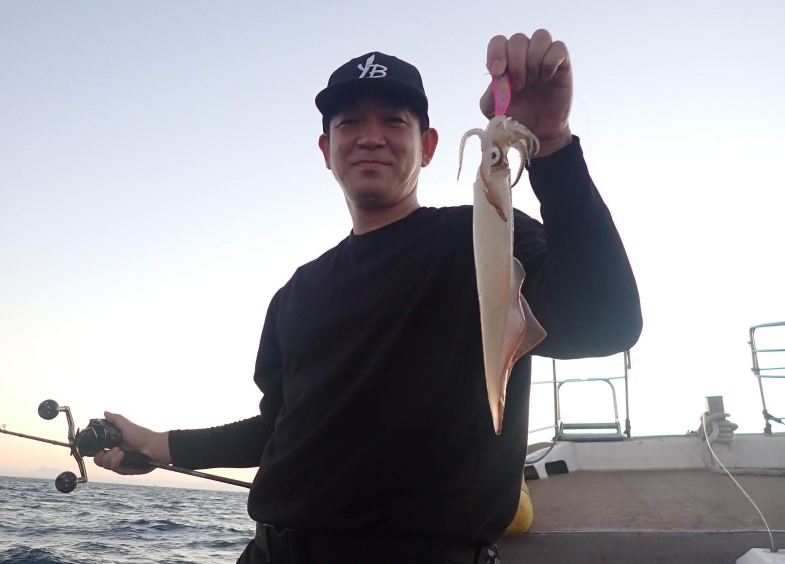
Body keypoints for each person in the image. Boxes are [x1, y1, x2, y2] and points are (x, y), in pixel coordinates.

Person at [94, 30, 642, 564]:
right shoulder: (295, 293)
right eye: (349, 122)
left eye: (395, 121)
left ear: (429, 146)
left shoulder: (482, 239)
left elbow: (605, 319)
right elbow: (280, 431)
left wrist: (550, 144)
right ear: (326, 149)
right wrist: (158, 444)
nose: (370, 136)